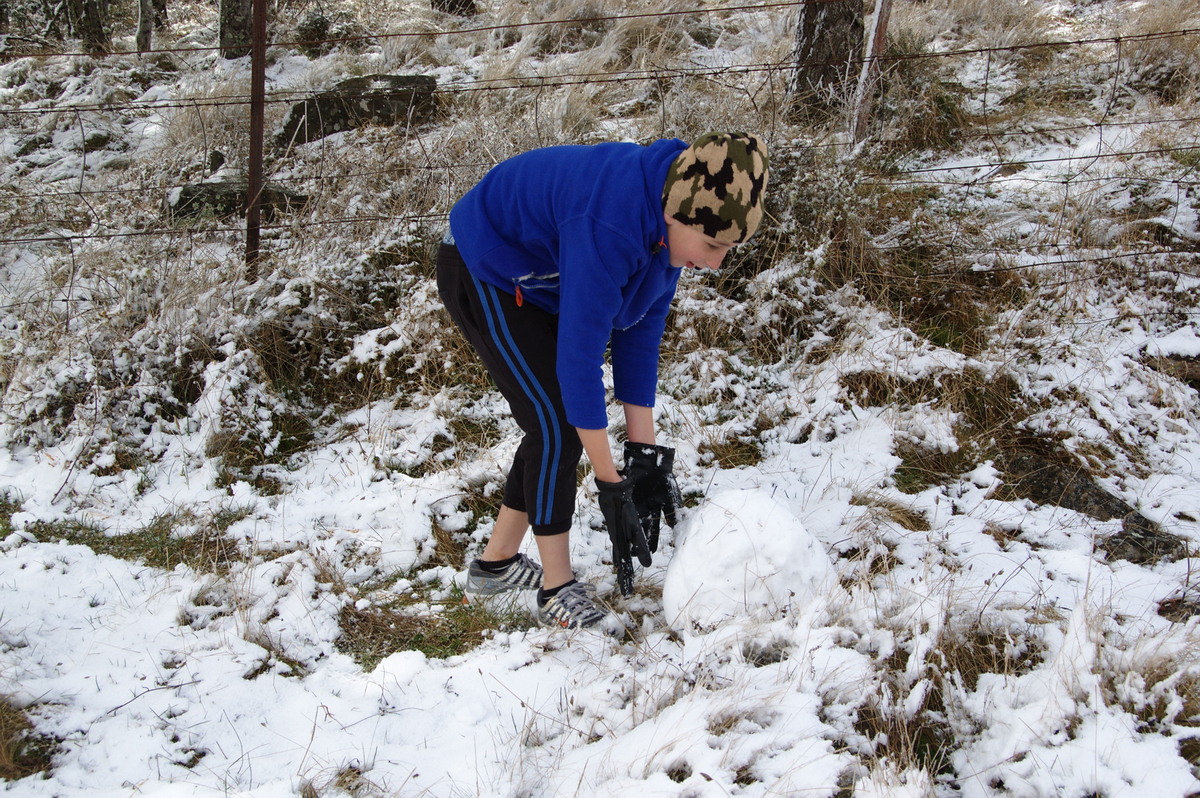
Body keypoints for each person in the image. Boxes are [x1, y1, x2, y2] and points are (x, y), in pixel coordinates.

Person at [436, 132, 768, 629]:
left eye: (728, 249)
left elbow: (637, 337)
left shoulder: (668, 224)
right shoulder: (613, 221)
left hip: (544, 282)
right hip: (486, 266)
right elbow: (579, 363)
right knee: (555, 424)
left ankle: (495, 567)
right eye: (713, 245)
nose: (717, 262)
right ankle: (557, 588)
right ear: (677, 214)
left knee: (552, 421)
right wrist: (609, 481)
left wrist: (644, 459)